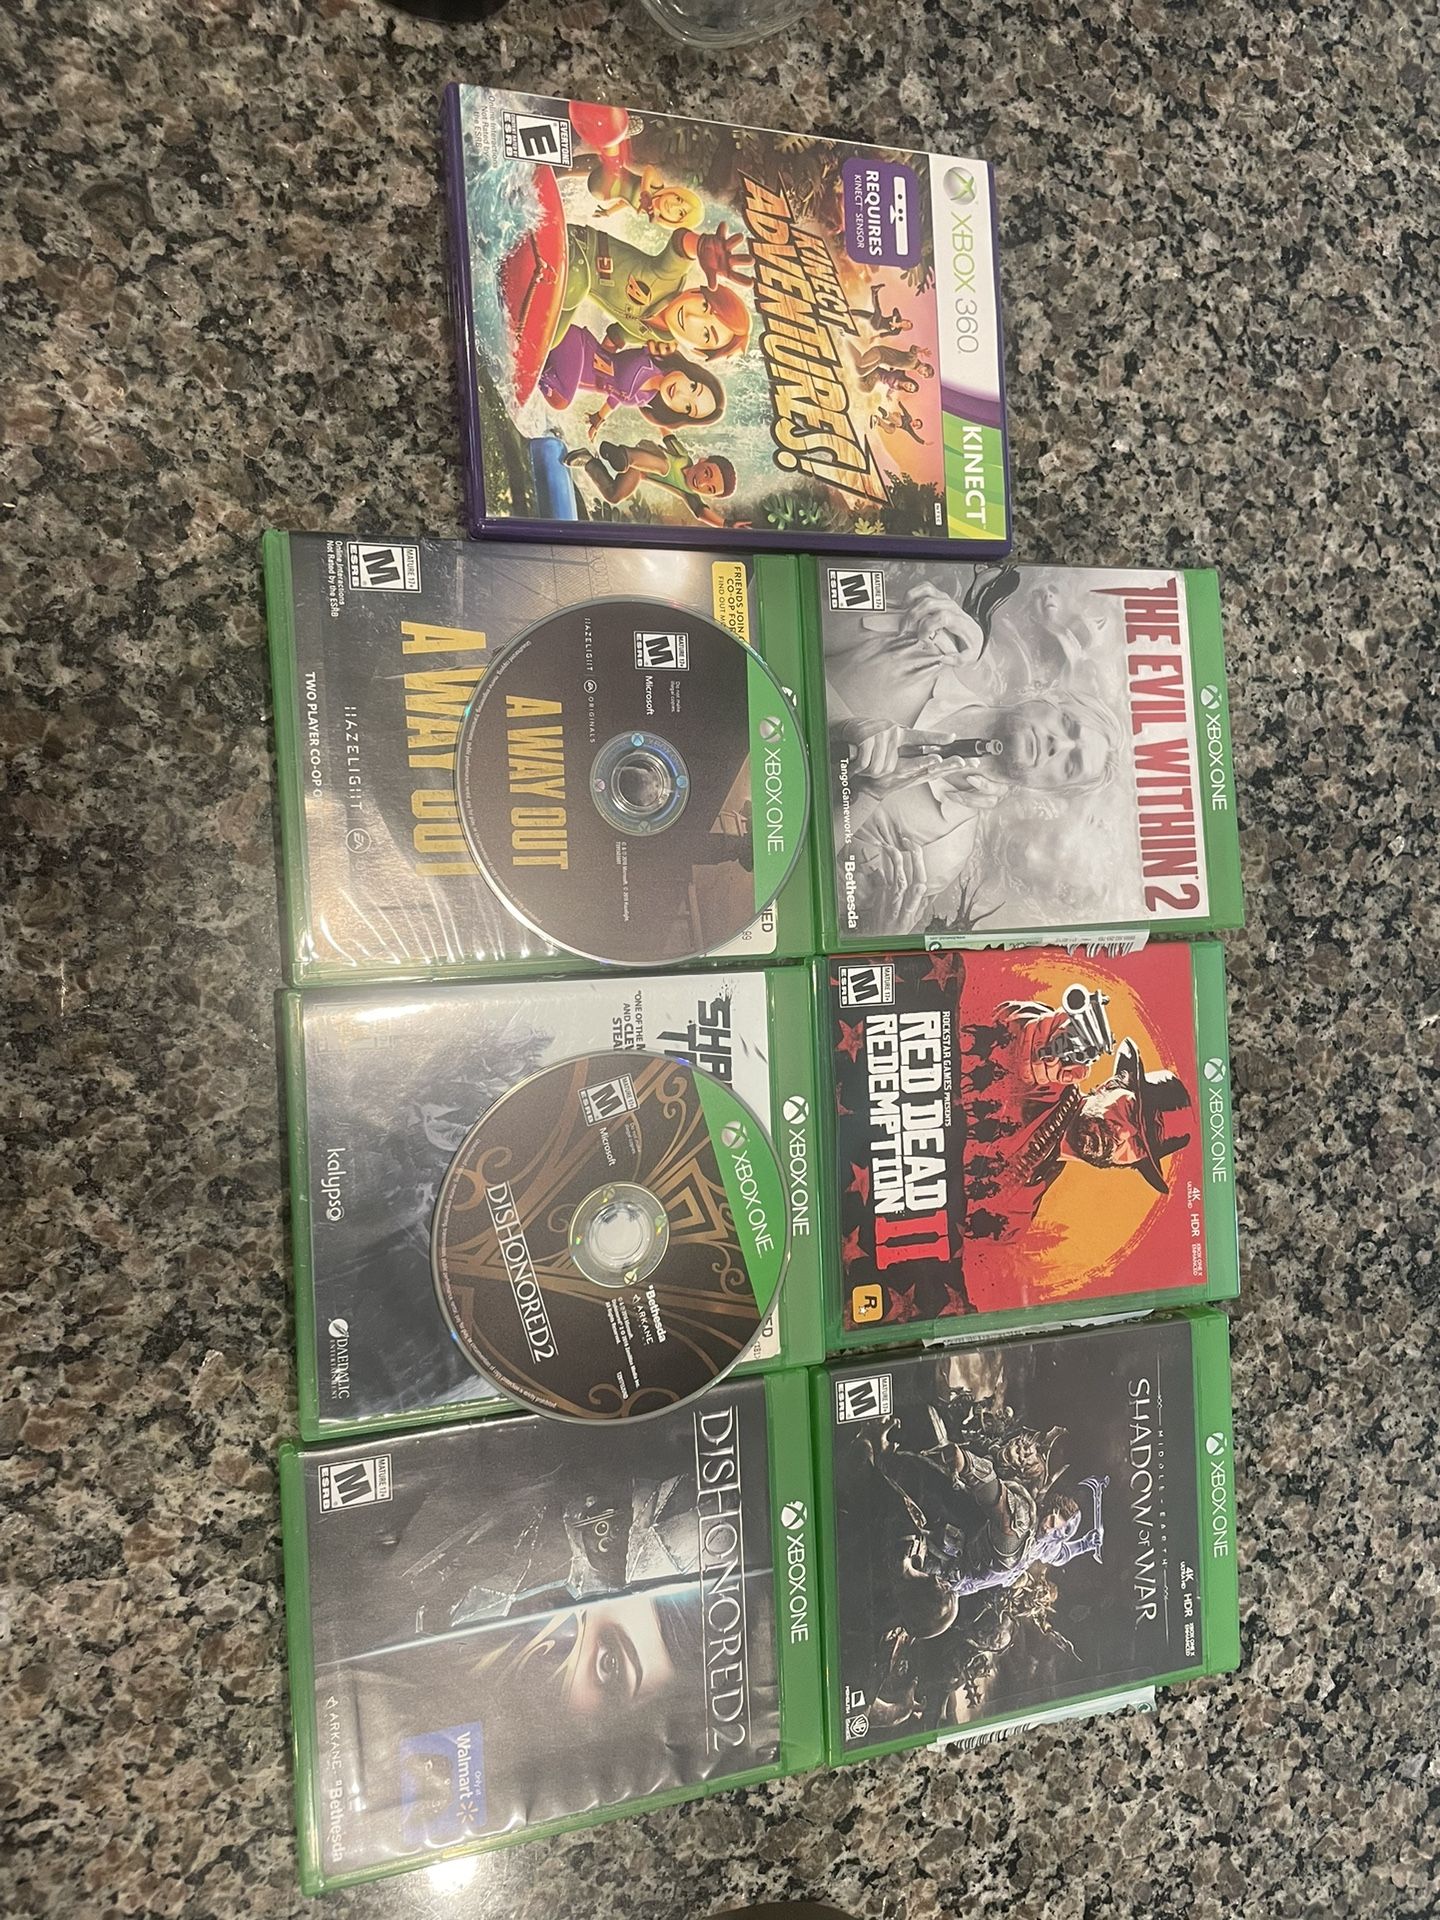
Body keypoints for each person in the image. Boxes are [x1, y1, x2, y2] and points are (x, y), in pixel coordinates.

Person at [539, 325, 726, 438]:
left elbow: (616, 397)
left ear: (678, 413)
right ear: (690, 373)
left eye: (687, 407)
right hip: (577, 345)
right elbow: (619, 382)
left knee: (560, 397)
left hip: (567, 372)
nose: (680, 395)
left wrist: (598, 418)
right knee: (561, 401)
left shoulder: (646, 397)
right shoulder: (647, 360)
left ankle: (539, 371)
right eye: (693, 387)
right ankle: (539, 374)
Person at [565, 434, 738, 526]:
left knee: (614, 495)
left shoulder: (689, 494)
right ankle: (623, 455)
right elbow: (666, 432)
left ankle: (589, 461)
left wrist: (727, 524)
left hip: (639, 470)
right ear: (702, 460)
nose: (701, 483)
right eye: (707, 473)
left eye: (709, 489)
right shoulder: (683, 457)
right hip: (648, 453)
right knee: (664, 466)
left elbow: (702, 513)